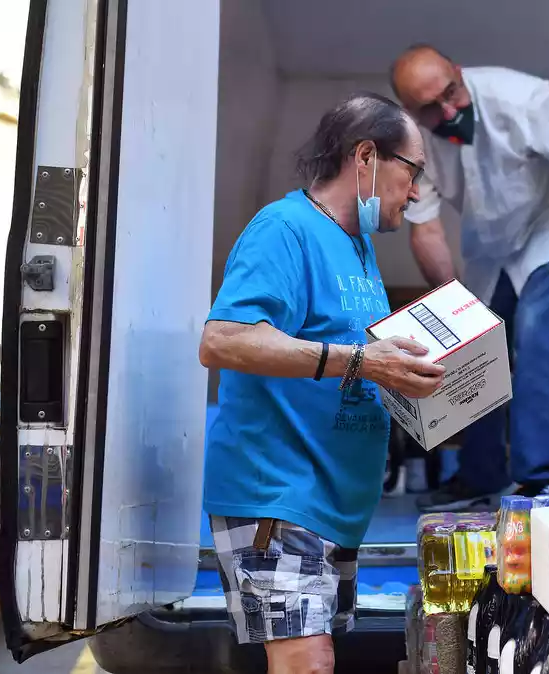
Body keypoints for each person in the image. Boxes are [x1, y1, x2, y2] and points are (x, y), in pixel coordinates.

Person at [198, 92, 446, 674]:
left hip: (333, 504)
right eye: (412, 173)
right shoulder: (284, 229)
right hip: (278, 496)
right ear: (366, 157)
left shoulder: (357, 249)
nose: (415, 195)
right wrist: (363, 362)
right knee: (306, 664)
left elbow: (350, 359)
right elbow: (223, 340)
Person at [388, 44, 549, 511]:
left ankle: (543, 482)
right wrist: (454, 312)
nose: (449, 111)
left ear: (460, 73)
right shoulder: (411, 145)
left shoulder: (520, 98)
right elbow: (425, 229)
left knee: (538, 340)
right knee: (473, 347)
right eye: (431, 107)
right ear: (411, 111)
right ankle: (479, 476)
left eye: (452, 93)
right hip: (491, 244)